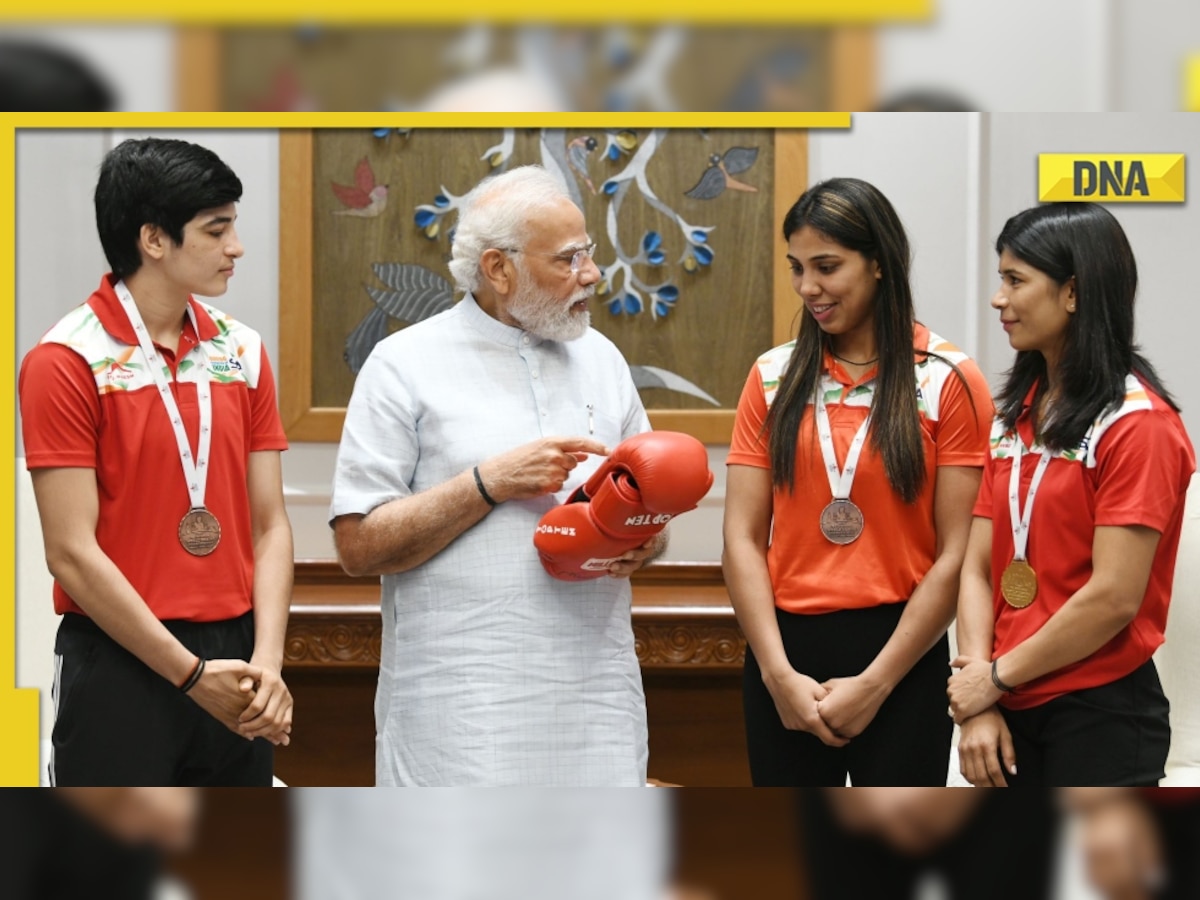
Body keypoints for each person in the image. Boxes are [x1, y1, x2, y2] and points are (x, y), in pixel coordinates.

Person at [329, 164, 665, 786]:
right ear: (498, 269)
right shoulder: (403, 364)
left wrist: (645, 541)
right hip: (461, 708)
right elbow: (358, 545)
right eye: (568, 259)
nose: (591, 274)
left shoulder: (603, 360)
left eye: (588, 253)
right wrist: (487, 482)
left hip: (596, 695)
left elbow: (651, 515)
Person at [19, 138, 294, 786]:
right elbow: (71, 553)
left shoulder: (242, 351)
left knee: (232, 876)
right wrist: (190, 676)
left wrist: (270, 663)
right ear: (153, 239)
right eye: (216, 229)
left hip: (238, 658)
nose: (237, 246)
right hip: (119, 662)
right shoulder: (65, 360)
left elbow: (271, 525)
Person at [723, 177, 993, 786]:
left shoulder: (948, 378)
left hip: (903, 651)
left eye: (827, 266)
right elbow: (741, 537)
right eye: (797, 268)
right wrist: (776, 675)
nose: (807, 288)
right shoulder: (772, 374)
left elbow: (958, 553)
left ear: (877, 263)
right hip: (783, 650)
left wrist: (877, 682)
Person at [949, 203, 1195, 787]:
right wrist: (982, 698)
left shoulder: (1140, 425)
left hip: (1099, 713)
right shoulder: (1016, 415)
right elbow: (978, 569)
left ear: (1074, 294)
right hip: (1007, 704)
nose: (998, 299)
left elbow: (1112, 598)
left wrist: (995, 678)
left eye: (1015, 280)